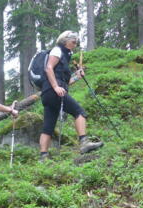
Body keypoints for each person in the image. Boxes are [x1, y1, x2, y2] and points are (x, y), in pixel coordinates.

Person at [38, 31, 103, 161]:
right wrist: (56, 87)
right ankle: (84, 143)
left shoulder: (65, 57)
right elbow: (48, 68)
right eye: (73, 41)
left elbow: (65, 82)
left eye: (76, 42)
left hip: (48, 93)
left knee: (48, 125)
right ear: (65, 40)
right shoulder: (57, 50)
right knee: (79, 112)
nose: (75, 43)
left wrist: (77, 77)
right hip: (53, 91)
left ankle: (43, 156)